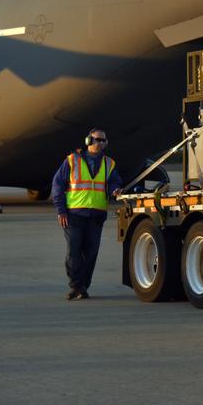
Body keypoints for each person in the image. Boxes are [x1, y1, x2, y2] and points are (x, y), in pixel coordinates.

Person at [51, 128, 123, 300]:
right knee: (74, 252)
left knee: (91, 254)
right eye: (97, 139)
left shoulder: (109, 163)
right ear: (88, 141)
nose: (100, 143)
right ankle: (75, 285)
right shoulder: (72, 160)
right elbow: (58, 185)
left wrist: (115, 190)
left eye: (103, 141)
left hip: (96, 215)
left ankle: (83, 286)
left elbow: (114, 182)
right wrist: (61, 210)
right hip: (74, 214)